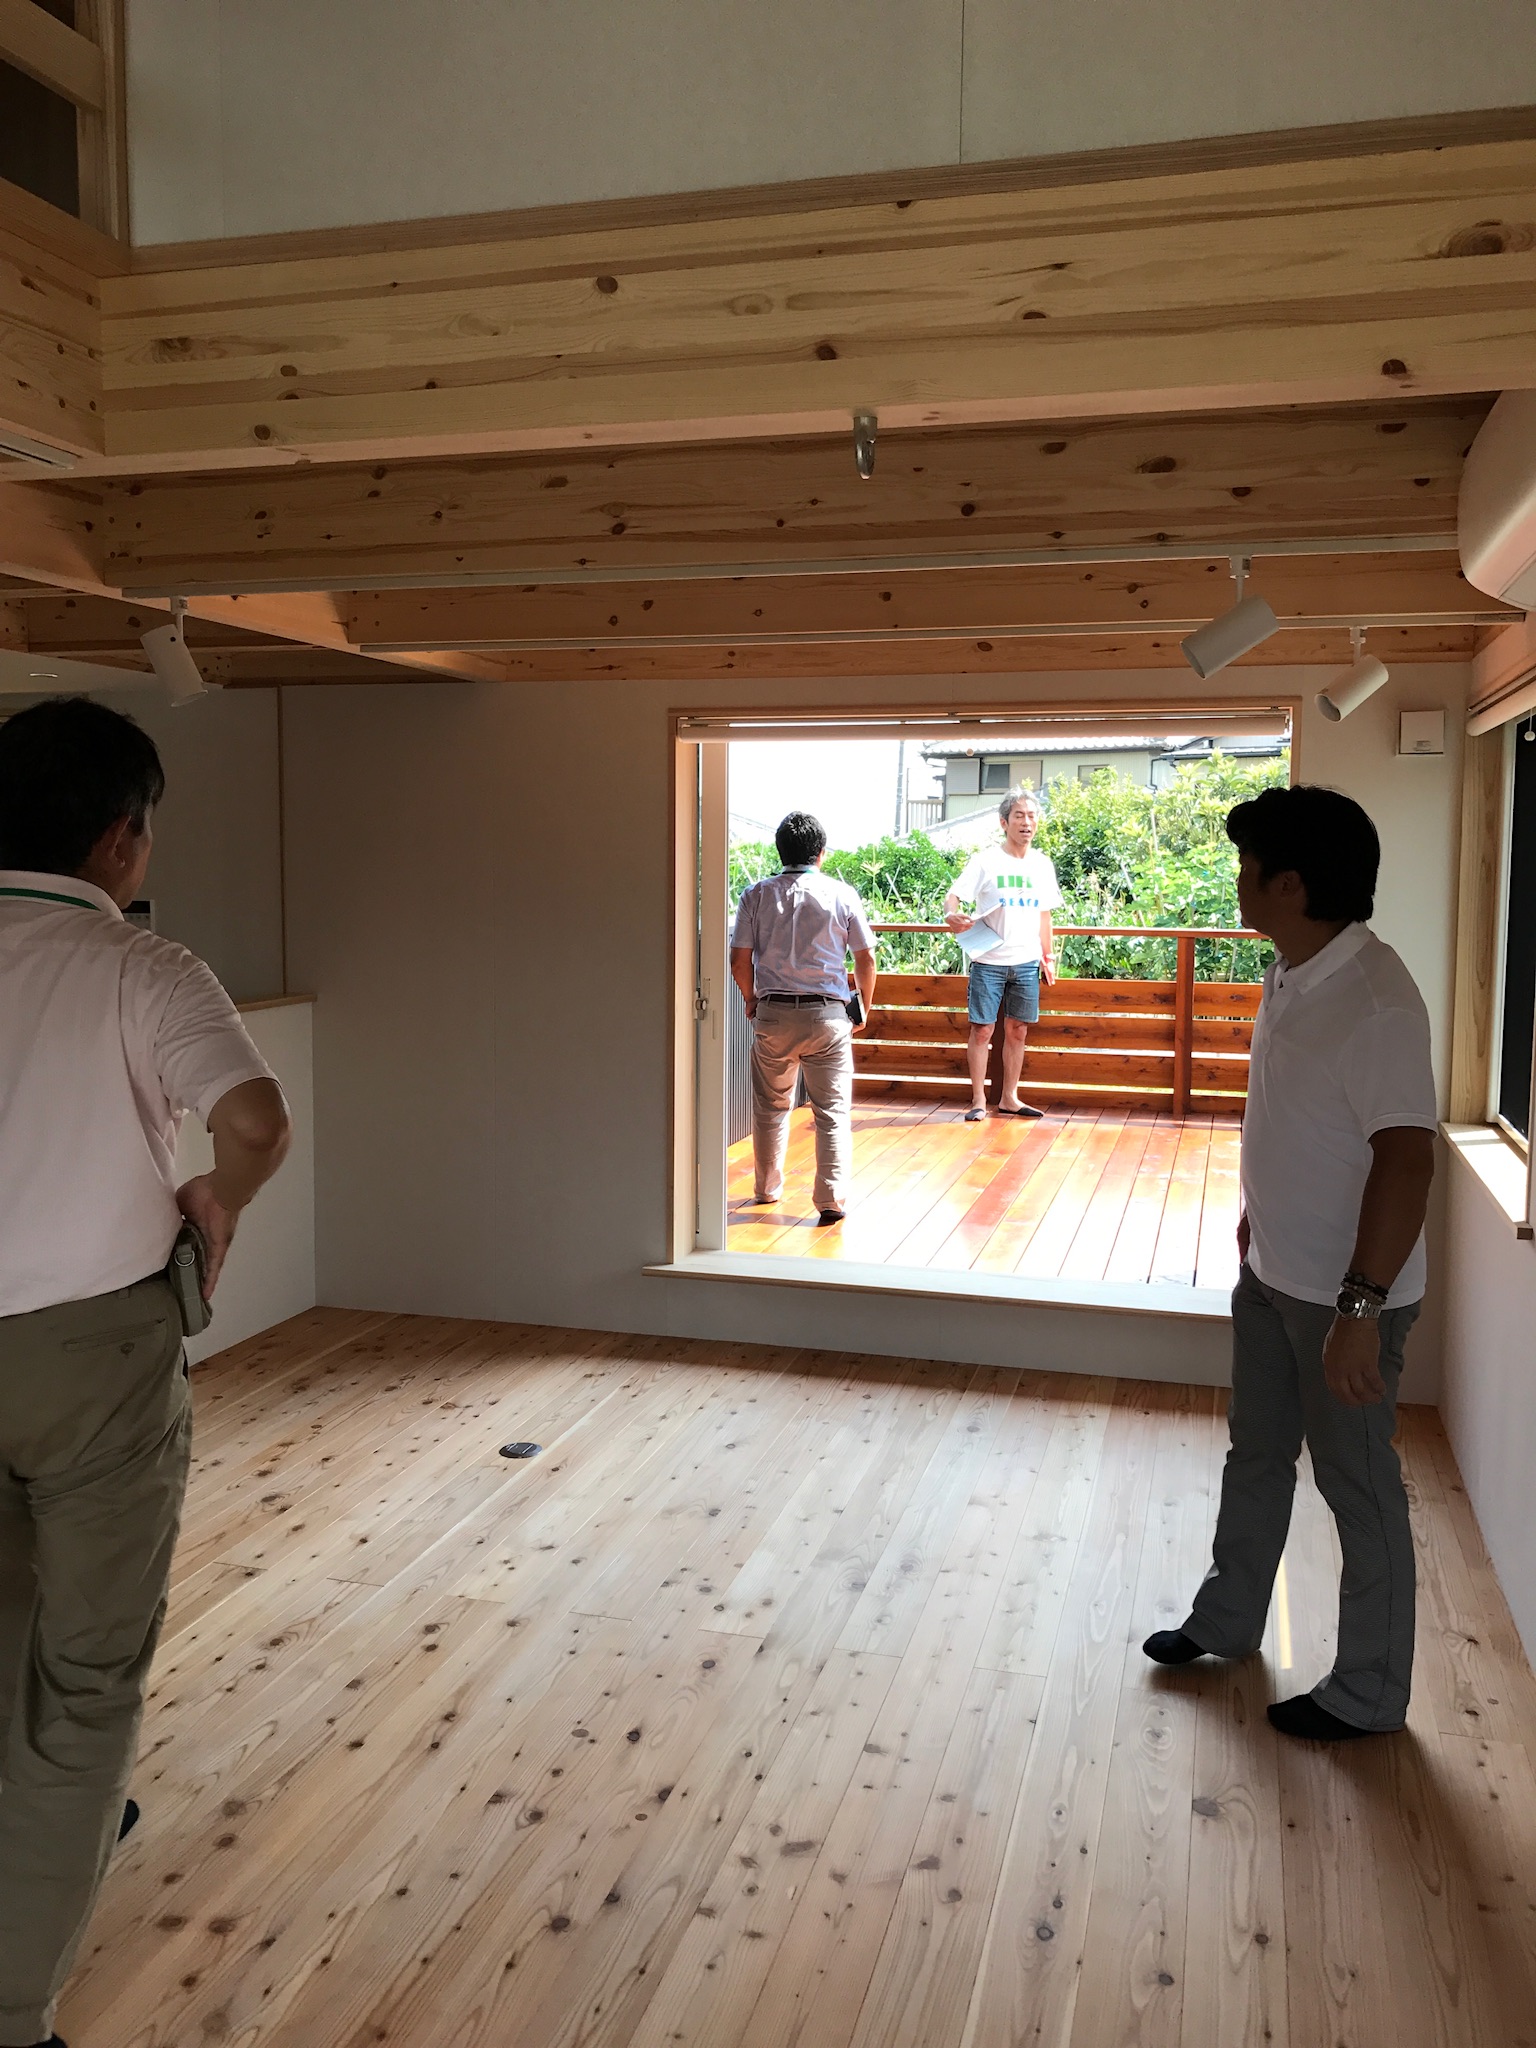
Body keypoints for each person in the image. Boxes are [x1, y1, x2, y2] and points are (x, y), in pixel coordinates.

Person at [0, 697, 292, 2048]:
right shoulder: (142, 967)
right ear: (121, 836)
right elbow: (256, 1120)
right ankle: (16, 2008)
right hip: (94, 1361)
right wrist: (220, 1196)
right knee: (87, 1675)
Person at [1143, 784, 1437, 1742]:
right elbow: (1298, 1120)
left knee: (1357, 1483)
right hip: (1274, 1273)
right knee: (1258, 1450)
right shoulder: (1293, 969)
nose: (1237, 880)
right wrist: (1254, 1219)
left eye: (1247, 865)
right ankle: (1228, 1619)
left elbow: (1407, 1159)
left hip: (1344, 1299)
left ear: (1292, 884)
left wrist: (1360, 1308)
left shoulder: (1376, 1002)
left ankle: (1369, 1694)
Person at [730, 811, 877, 1226]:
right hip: (828, 1016)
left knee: (770, 1107)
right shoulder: (841, 894)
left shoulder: (755, 895)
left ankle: (766, 1189)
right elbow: (866, 958)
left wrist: (751, 999)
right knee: (832, 1112)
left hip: (774, 1014)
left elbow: (739, 960)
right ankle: (830, 1200)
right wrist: (863, 1007)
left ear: (781, 851)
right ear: (821, 853)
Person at [943, 785, 1063, 1121]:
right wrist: (951, 915)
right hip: (988, 962)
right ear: (1004, 822)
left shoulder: (1042, 864)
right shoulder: (986, 861)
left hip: (1026, 961)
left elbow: (1045, 914)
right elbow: (953, 896)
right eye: (1019, 816)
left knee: (1018, 1030)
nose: (1027, 822)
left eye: (1032, 816)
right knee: (982, 1030)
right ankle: (978, 1100)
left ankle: (1010, 1097)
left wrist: (1048, 956)